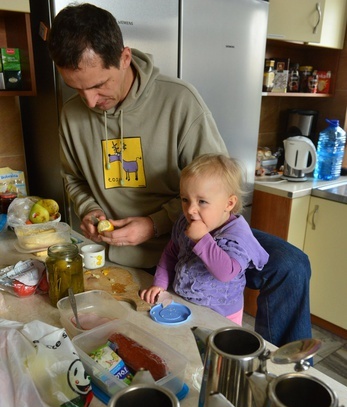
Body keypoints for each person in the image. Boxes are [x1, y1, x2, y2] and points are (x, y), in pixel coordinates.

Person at [47, 3, 312, 346]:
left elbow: (217, 186)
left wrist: (156, 223)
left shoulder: (180, 101)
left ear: (125, 58)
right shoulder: (71, 116)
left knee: (290, 264)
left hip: (195, 234)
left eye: (99, 85)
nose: (90, 100)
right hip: (124, 251)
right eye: (76, 88)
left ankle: (283, 370)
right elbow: (73, 179)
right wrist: (89, 210)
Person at [140, 154, 269, 325]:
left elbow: (226, 273)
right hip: (184, 302)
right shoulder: (185, 222)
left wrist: (201, 239)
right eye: (185, 199)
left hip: (221, 316)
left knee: (213, 351)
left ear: (229, 204)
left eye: (202, 201)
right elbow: (170, 253)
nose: (191, 209)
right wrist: (160, 283)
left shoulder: (236, 237)